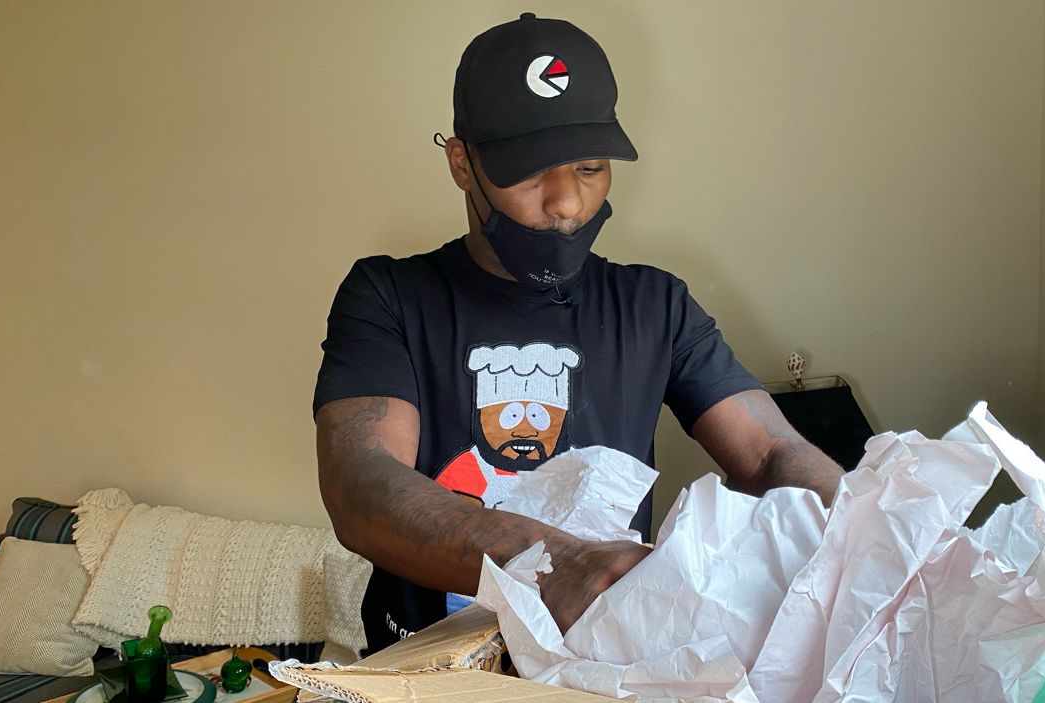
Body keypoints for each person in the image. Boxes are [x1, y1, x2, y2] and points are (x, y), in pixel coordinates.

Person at [314, 12, 845, 655]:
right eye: (531, 171)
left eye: (590, 167)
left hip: (597, 667)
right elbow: (361, 482)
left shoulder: (656, 305)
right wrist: (554, 562)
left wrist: (859, 521)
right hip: (425, 668)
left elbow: (767, 454)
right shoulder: (389, 296)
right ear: (461, 163)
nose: (566, 202)